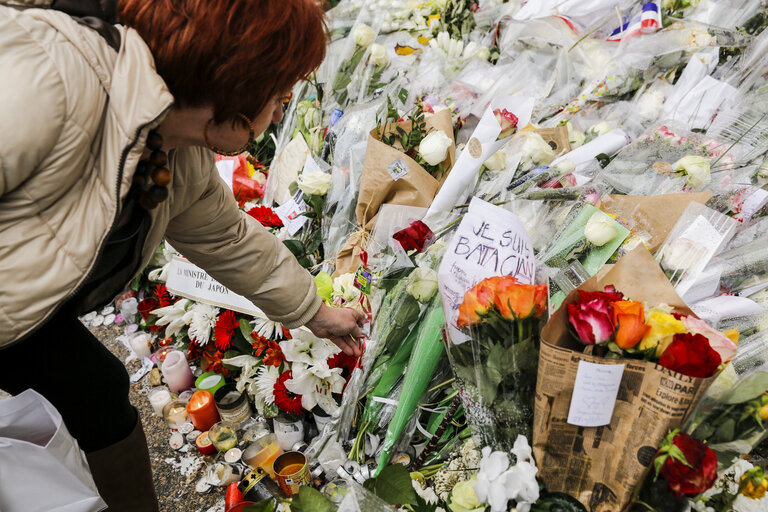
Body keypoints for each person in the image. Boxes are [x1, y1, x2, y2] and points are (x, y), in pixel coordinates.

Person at [0, 1, 362, 509]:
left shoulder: (178, 150)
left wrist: (315, 313)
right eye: (279, 93)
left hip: (21, 310)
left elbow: (225, 238)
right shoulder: (53, 81)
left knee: (98, 390)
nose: (281, 110)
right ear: (236, 82)